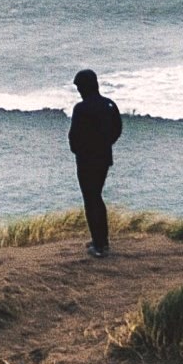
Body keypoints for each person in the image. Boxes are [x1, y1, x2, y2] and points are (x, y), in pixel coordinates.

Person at [68, 68, 123, 256]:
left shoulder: (81, 109)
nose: (79, 91)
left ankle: (99, 246)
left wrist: (79, 150)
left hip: (86, 160)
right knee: (97, 197)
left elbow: (73, 136)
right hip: (104, 158)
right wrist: (106, 145)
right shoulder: (109, 104)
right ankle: (102, 241)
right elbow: (117, 129)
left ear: (85, 86)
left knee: (90, 200)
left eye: (79, 87)